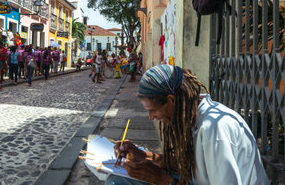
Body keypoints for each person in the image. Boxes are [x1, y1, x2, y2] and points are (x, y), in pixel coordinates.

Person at [109, 65, 269, 185]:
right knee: (120, 179)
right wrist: (146, 156)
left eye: (153, 110)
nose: (151, 117)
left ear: (171, 100)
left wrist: (161, 179)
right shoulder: (193, 116)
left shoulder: (214, 129)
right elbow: (193, 165)